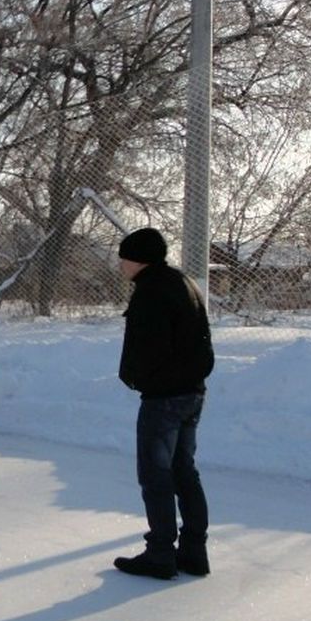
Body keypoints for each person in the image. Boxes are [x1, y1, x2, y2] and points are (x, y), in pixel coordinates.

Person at [112, 228, 214, 580]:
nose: (120, 263)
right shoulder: (182, 283)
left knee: (156, 475)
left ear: (137, 258)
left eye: (123, 256)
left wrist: (138, 378)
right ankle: (193, 551)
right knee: (184, 470)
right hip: (192, 392)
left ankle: (159, 554)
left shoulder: (151, 292)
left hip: (164, 397)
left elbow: (149, 347)